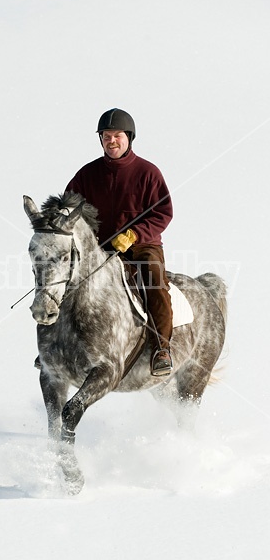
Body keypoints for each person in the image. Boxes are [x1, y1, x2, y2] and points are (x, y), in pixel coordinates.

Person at [65, 108, 173, 377]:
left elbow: (163, 212)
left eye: (117, 136)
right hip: (100, 248)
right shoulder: (87, 175)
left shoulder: (148, 172)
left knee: (154, 280)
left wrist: (134, 234)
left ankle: (161, 348)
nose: (111, 141)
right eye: (106, 136)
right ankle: (57, 347)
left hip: (142, 246)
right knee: (65, 280)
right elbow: (69, 208)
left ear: (129, 138)